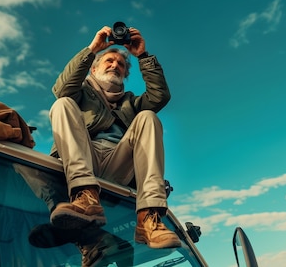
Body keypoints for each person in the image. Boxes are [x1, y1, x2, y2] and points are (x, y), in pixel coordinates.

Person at [29, 24, 181, 264]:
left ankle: (148, 218)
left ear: (126, 74)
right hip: (81, 160)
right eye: (109, 61)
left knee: (149, 117)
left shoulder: (131, 102)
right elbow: (61, 90)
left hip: (117, 165)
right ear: (94, 67)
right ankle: (85, 196)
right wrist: (93, 48)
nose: (115, 66)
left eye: (121, 65)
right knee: (63, 104)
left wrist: (142, 55)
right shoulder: (82, 91)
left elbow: (160, 96)